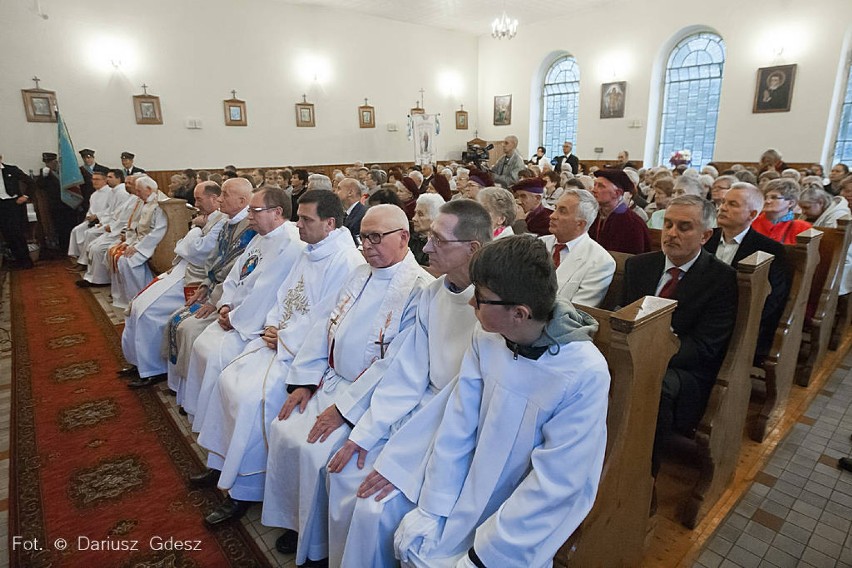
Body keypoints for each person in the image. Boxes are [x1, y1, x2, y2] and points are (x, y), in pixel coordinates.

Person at [386, 235, 609, 567]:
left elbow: (557, 483)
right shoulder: (488, 337)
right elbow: (458, 424)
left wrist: (486, 555)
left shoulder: (583, 371)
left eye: (481, 298)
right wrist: (434, 506)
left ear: (519, 313)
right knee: (416, 543)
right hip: (465, 493)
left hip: (518, 528)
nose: (472, 305)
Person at [261, 204, 433, 567]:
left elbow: (396, 364)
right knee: (283, 428)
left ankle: (318, 545)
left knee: (316, 454)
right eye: (363, 237)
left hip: (363, 396)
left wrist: (344, 411)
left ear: (403, 238)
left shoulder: (419, 289)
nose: (366, 246)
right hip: (329, 380)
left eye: (375, 237)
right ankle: (297, 523)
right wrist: (305, 381)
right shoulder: (359, 274)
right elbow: (324, 325)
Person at [325, 200, 492, 567]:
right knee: (342, 474)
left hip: (453, 430)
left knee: (372, 508)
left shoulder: (491, 311)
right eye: (428, 237)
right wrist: (365, 433)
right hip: (417, 413)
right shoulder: (433, 294)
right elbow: (405, 373)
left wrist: (400, 464)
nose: (426, 248)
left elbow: (464, 400)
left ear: (472, 249)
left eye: (438, 240)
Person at [191, 190, 365, 527]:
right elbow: (284, 294)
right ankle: (222, 465)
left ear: (329, 223)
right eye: (298, 217)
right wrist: (272, 324)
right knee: (228, 379)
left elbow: (326, 320)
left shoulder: (345, 261)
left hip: (301, 357)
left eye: (305, 219)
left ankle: (244, 489)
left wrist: (284, 338)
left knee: (250, 398)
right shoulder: (311, 250)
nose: (297, 224)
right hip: (277, 342)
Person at [623, 195, 737, 477]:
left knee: (652, 385)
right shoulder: (640, 266)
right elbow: (622, 314)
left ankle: (641, 476)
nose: (672, 234)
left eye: (684, 227)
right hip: (632, 350)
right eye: (668, 224)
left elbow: (704, 347)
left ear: (705, 235)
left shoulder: (721, 279)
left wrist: (653, 352)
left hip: (682, 368)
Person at [176, 186, 304, 416]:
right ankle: (198, 409)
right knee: (201, 345)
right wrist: (225, 304)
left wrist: (233, 318)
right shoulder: (260, 238)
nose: (249, 216)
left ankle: (212, 414)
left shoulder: (289, 244)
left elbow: (266, 294)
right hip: (235, 314)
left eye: (255, 211)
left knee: (215, 356)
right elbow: (235, 275)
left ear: (276, 212)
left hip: (251, 324)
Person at [120, 182, 227, 385]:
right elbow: (184, 247)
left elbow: (199, 251)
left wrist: (195, 230)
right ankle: (137, 362)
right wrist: (194, 234)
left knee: (148, 312)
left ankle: (153, 368)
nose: (195, 204)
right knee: (136, 306)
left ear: (214, 199)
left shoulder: (221, 221)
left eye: (198, 199)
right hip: (180, 270)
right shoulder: (205, 219)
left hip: (193, 276)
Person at [160, 179, 256, 392]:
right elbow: (214, 259)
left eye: (224, 194)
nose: (219, 199)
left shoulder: (251, 229)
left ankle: (192, 392)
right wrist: (205, 285)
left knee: (189, 328)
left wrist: (215, 301)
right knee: (176, 318)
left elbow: (238, 274)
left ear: (242, 200)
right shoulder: (228, 221)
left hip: (228, 299)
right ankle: (179, 387)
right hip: (214, 289)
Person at [705, 182, 791, 365]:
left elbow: (773, 299)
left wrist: (740, 321)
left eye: (732, 204)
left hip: (740, 323)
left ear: (752, 214)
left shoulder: (769, 250)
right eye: (723, 202)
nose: (722, 208)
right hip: (700, 314)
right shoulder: (706, 238)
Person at [541, 189, 616, 307]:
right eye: (555, 208)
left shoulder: (600, 262)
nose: (552, 215)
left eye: (562, 211)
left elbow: (575, 313)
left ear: (580, 224)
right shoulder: (539, 244)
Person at [113, 176, 168, 309]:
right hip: (143, 242)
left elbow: (158, 231)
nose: (136, 194)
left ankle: (142, 295)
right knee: (122, 259)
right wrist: (131, 243)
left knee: (128, 261)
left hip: (156, 244)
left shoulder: (159, 204)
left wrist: (137, 247)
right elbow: (139, 228)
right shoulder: (147, 202)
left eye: (139, 191)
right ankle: (134, 296)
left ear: (149, 189)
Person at [78, 174, 142, 287]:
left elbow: (127, 220)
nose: (126, 186)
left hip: (122, 232)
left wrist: (112, 227)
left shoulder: (137, 200)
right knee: (92, 245)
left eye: (129, 183)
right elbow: (117, 213)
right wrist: (108, 224)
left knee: (98, 249)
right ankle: (92, 277)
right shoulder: (130, 197)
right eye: (126, 183)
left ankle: (100, 280)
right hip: (114, 228)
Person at [588, 169, 651, 254]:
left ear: (617, 193)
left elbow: (632, 259)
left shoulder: (632, 224)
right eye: (594, 185)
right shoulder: (594, 216)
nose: (593, 190)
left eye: (601, 186)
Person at [67, 171, 114, 268]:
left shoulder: (110, 192)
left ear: (105, 180)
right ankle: (77, 257)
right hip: (92, 220)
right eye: (93, 179)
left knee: (88, 234)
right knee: (76, 230)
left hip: (104, 221)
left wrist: (97, 216)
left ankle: (84, 262)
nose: (94, 182)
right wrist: (89, 216)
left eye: (97, 179)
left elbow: (111, 209)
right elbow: (91, 209)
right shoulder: (94, 194)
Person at [0, 154, 36, 269]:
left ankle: (26, 260)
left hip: (13, 204)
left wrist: (25, 196)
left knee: (17, 232)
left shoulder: (12, 170)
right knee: (7, 233)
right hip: (1, 205)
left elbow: (31, 182)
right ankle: (17, 259)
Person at [751, 178, 812, 244]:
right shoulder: (751, 222)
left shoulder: (803, 228)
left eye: (774, 197)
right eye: (765, 197)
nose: (767, 201)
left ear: (791, 203)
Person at [410, 193, 444, 266]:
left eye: (420, 214)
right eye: (415, 213)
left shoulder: (441, 246)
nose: (414, 218)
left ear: (435, 218)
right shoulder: (411, 238)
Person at [333, 177, 366, 246]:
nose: (335, 192)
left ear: (350, 192)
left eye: (339, 189)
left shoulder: (362, 215)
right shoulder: (344, 213)